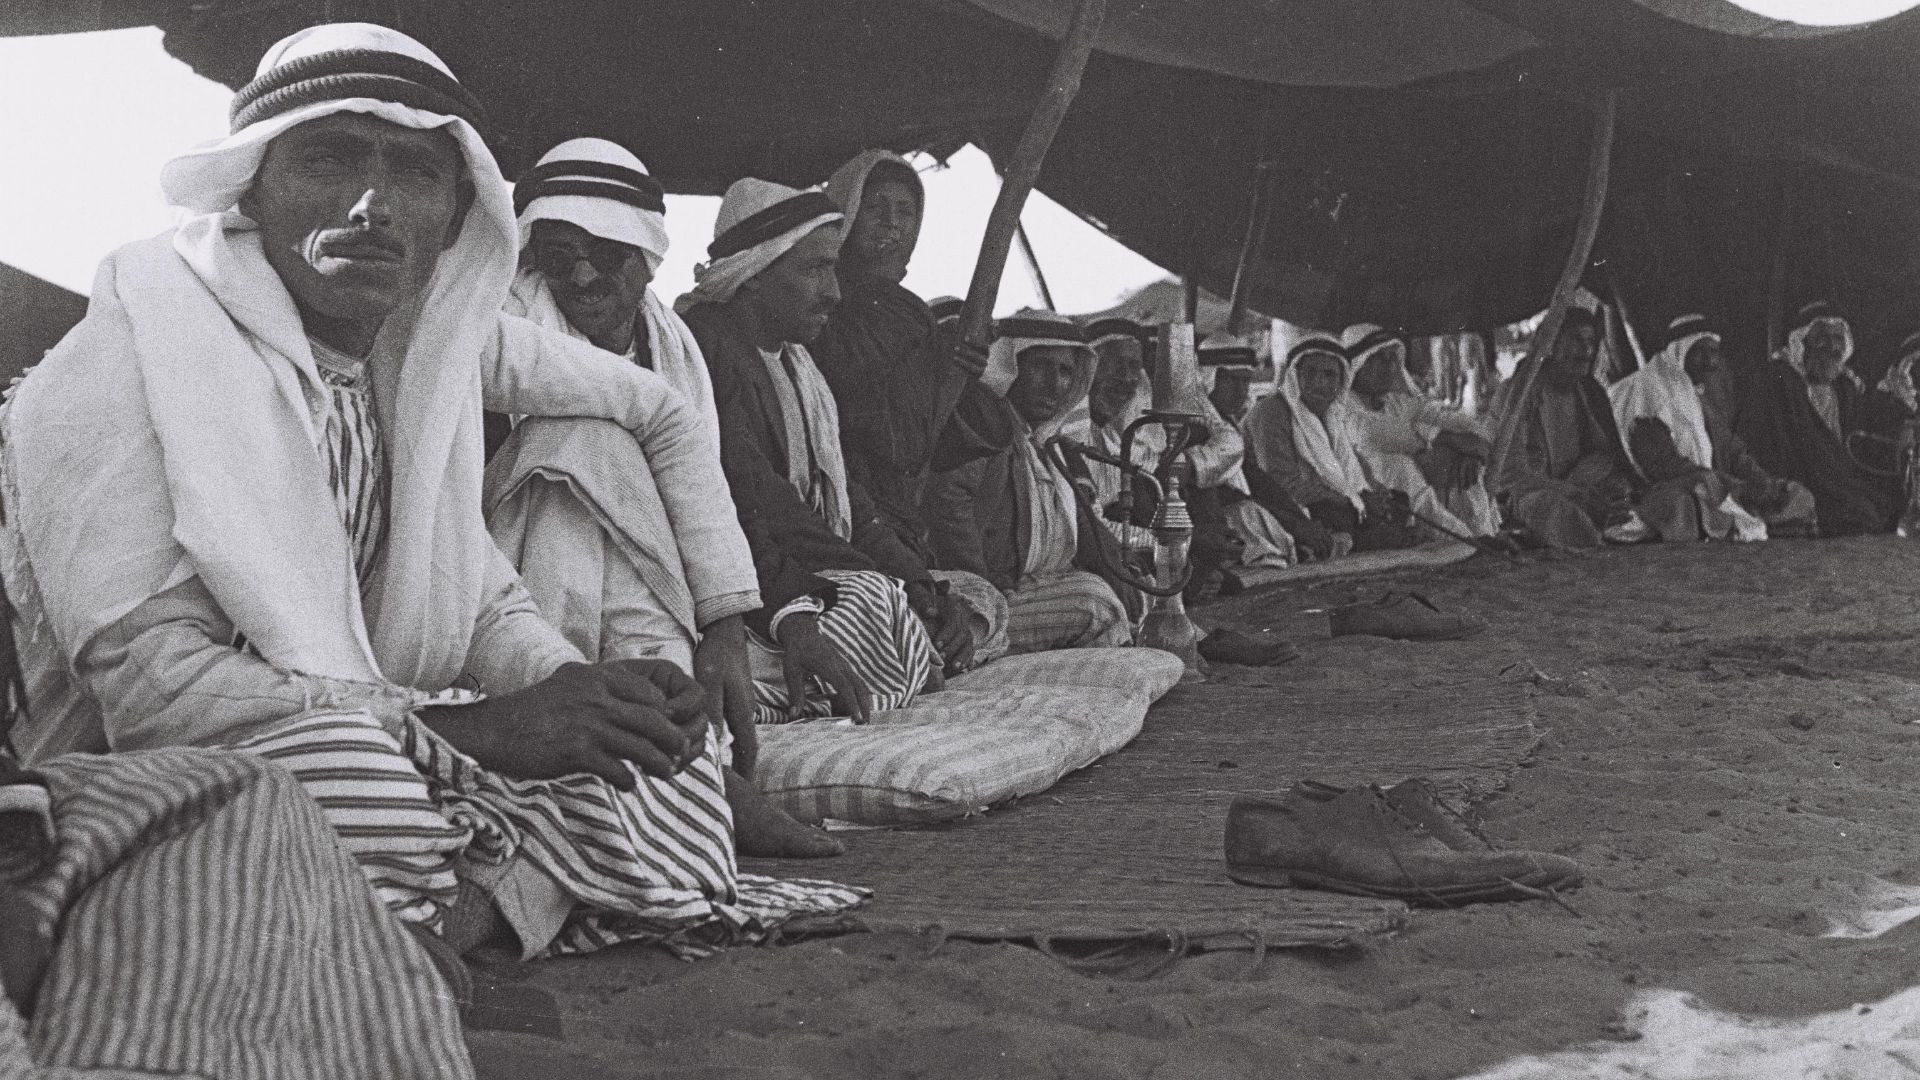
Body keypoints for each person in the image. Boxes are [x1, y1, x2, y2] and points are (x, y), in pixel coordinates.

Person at [0, 25, 864, 966]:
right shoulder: (136, 347)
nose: (372, 204)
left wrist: (570, 684)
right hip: (148, 766)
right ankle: (454, 914)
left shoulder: (420, 347)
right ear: (252, 187)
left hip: (390, 724)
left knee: (667, 765)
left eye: (414, 173)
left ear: (458, 214)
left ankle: (444, 923)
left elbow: (478, 591)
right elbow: (149, 687)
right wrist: (477, 732)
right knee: (364, 787)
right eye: (328, 159)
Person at [483, 137, 839, 857]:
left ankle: (675, 740)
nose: (581, 275)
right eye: (558, 255)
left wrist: (727, 624)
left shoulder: (673, 346)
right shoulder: (502, 325)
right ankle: (690, 769)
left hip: (660, 604)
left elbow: (709, 490)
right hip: (505, 607)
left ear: (645, 258)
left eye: (605, 254)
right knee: (583, 441)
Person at [677, 178, 970, 723]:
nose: (835, 292)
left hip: (802, 575)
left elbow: (844, 499)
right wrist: (885, 584)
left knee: (959, 602)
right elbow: (757, 501)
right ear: (754, 275)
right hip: (746, 589)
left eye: (833, 269)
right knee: (876, 603)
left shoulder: (796, 363)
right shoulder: (709, 346)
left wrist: (919, 580)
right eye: (815, 270)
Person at [813, 151, 1012, 567]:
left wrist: (957, 371)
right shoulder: (819, 302)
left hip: (898, 512)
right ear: (845, 215)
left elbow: (926, 439)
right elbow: (847, 395)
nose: (892, 223)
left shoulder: (910, 310)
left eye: (905, 211)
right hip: (839, 503)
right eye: (875, 208)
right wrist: (927, 352)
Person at [923, 311, 1133, 654]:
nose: (1055, 383)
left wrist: (1124, 573)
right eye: (1041, 367)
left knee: (1131, 590)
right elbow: (948, 504)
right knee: (1096, 604)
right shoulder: (985, 427)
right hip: (984, 601)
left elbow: (1084, 523)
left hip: (1034, 587)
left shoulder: (1044, 443)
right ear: (1012, 366)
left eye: (1066, 371)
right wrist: (984, 589)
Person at [1080, 318, 1248, 596]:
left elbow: (1222, 444)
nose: (1126, 378)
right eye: (1113, 363)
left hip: (1136, 532)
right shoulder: (1074, 432)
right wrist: (1184, 543)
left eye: (1133, 366)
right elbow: (1093, 527)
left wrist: (1186, 468)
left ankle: (1194, 575)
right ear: (1088, 367)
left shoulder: (1111, 428)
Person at [1613, 313, 1816, 539]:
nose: (1711, 361)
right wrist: (1728, 483)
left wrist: (1759, 479)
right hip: (1660, 490)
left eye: (1713, 352)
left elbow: (1732, 449)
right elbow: (1659, 465)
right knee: (1687, 502)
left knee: (1791, 492)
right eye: (1700, 351)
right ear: (1680, 352)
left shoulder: (1692, 391)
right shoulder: (1651, 388)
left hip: (1707, 486)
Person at [1732, 301, 1909, 535]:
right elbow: (1768, 446)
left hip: (1844, 484)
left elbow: (1861, 444)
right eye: (1822, 338)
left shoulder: (1846, 388)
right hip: (1799, 482)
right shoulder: (1778, 380)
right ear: (1801, 342)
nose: (1832, 348)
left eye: (1838, 339)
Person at [1242, 336, 1422, 554]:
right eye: (1310, 373)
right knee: (1335, 513)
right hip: (1282, 505)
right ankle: (1363, 540)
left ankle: (1367, 536)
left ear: (1340, 382)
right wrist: (1350, 500)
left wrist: (1374, 493)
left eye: (1329, 375)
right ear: (1295, 376)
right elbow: (1281, 483)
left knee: (1396, 501)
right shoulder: (1271, 411)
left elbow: (1355, 467)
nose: (1319, 383)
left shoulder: (1332, 415)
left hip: (1330, 499)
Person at [1491, 307, 1641, 548]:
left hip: (1580, 488)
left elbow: (1608, 455)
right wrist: (1571, 493)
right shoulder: (1516, 394)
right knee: (1549, 508)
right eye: (1576, 340)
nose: (1587, 351)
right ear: (1550, 345)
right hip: (1532, 494)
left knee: (1622, 493)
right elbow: (1510, 477)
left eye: (1591, 342)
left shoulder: (1590, 393)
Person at [1342, 324, 1500, 539]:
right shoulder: (1344, 407)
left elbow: (1467, 424)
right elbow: (1370, 433)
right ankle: (1463, 540)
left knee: (1460, 464)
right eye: (1380, 359)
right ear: (1358, 365)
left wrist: (1470, 452)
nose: (1390, 367)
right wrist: (1435, 440)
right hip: (1371, 496)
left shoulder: (1397, 403)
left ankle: (1481, 535)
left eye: (1393, 359)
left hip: (1418, 490)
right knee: (1400, 465)